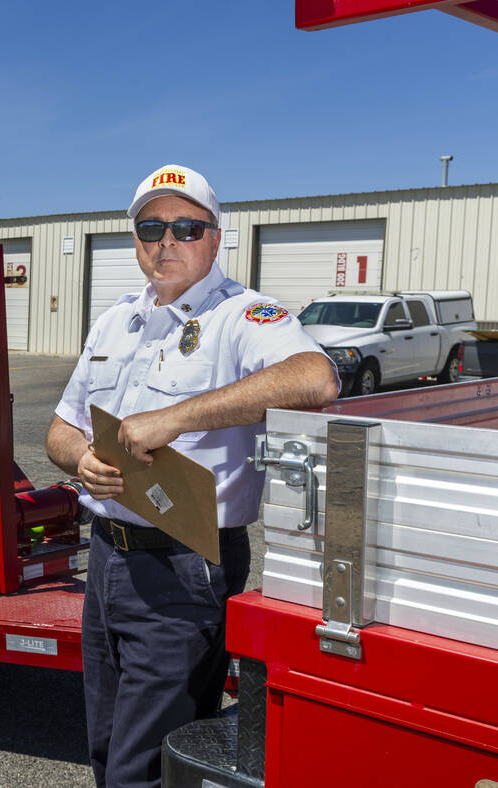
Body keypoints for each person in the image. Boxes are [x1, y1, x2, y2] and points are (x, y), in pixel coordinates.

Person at [46, 165, 339, 786]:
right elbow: (61, 429)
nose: (167, 240)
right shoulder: (115, 321)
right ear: (136, 240)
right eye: (151, 227)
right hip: (105, 558)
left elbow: (314, 380)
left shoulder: (244, 316)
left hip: (185, 567)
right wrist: (81, 461)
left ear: (215, 237)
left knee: (145, 767)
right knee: (103, 746)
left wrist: (175, 417)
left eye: (186, 226)